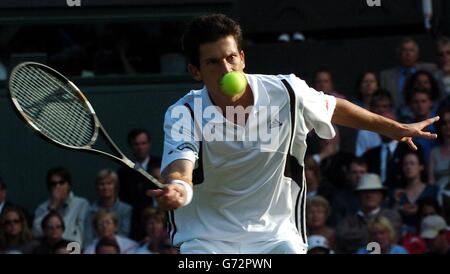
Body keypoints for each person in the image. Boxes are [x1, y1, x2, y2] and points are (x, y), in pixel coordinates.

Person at [149, 14, 439, 254]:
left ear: (243, 58)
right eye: (213, 62)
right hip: (206, 239)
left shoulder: (287, 91)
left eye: (231, 58)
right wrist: (179, 189)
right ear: (195, 71)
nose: (226, 69)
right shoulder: (183, 112)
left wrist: (395, 128)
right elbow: (181, 169)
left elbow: (335, 108)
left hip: (276, 235)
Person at [335, 174, 402, 254]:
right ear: (358, 195)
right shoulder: (348, 220)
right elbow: (342, 238)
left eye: (373, 191)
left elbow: (393, 239)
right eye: (365, 192)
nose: (369, 195)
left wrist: (356, 239)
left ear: (381, 195)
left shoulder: (392, 216)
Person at [117, 129, 161, 240]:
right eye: (136, 144)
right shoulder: (123, 172)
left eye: (143, 143)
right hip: (137, 227)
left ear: (149, 144)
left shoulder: (162, 164)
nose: (140, 147)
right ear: (131, 146)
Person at [32, 167, 90, 247]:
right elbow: (36, 232)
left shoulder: (81, 204)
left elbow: (83, 233)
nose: (57, 186)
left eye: (61, 182)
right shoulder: (42, 207)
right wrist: (52, 208)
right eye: (53, 184)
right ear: (49, 187)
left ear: (68, 185)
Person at [380, 37, 437, 110]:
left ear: (417, 54)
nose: (408, 54)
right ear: (399, 54)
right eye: (404, 50)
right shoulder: (386, 76)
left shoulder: (431, 69)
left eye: (411, 50)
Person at [85, 169, 132, 245]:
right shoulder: (91, 210)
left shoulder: (126, 209)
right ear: (97, 187)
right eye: (102, 184)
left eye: (109, 184)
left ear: (115, 186)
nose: (105, 187)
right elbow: (88, 239)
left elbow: (124, 236)